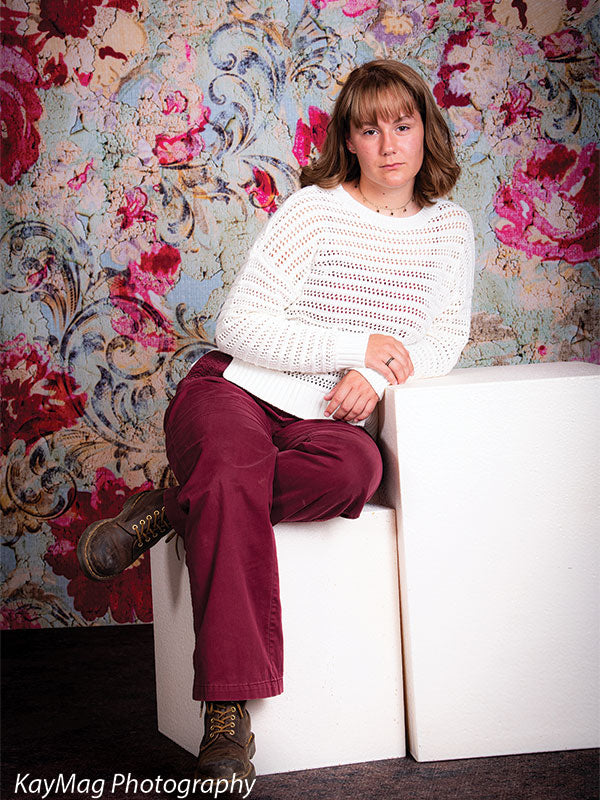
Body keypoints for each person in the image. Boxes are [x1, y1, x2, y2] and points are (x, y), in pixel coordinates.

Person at [77, 59, 475, 787]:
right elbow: (239, 324)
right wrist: (353, 347)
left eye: (404, 124)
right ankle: (228, 715)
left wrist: (379, 374)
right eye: (369, 128)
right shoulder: (314, 209)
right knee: (230, 474)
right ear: (349, 142)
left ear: (426, 130)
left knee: (357, 470)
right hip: (238, 392)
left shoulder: (450, 229)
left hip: (326, 420)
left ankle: (170, 503)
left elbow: (444, 335)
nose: (389, 144)